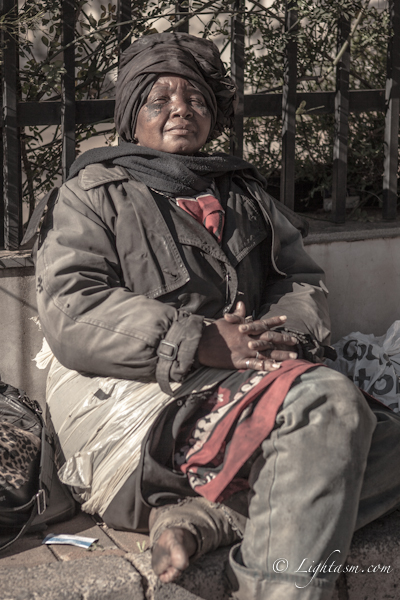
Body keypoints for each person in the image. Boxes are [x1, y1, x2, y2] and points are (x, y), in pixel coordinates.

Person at [33, 32, 400, 600]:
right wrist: (198, 338)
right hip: (139, 412)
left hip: (249, 382)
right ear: (133, 117)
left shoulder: (242, 193)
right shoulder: (94, 193)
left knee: (373, 434)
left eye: (198, 99)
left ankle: (208, 519)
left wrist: (286, 335)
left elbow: (298, 280)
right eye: (161, 100)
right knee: (327, 405)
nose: (182, 109)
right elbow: (72, 309)